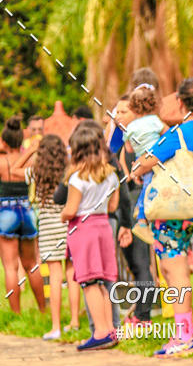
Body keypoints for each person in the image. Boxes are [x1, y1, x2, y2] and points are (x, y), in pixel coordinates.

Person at [132, 77, 193, 355]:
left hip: (170, 212)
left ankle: (184, 336)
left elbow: (146, 162)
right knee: (172, 267)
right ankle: (185, 333)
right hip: (191, 211)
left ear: (180, 102)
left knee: (174, 270)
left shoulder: (177, 134)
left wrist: (135, 167)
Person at [60, 123, 120, 350]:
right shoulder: (111, 176)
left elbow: (70, 210)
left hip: (83, 229)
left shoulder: (77, 178)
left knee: (88, 281)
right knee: (102, 280)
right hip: (103, 226)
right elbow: (113, 205)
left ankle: (100, 331)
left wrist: (61, 215)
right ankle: (110, 329)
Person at [26, 134, 80, 338]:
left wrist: (30, 151)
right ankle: (74, 321)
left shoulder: (36, 172)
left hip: (48, 228)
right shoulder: (68, 172)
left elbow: (14, 169)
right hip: (67, 224)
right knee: (72, 274)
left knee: (55, 277)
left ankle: (56, 327)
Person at [111, 94, 157, 326]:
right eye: (116, 112)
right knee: (134, 263)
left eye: (123, 112)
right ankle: (140, 310)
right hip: (126, 204)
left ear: (136, 114)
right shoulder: (122, 141)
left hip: (139, 204)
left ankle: (143, 316)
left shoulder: (144, 139)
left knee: (140, 262)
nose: (117, 116)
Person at [0, 117, 46, 313]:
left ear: (4, 141)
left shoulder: (1, 162)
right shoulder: (29, 160)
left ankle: (16, 314)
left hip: (5, 212)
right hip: (27, 211)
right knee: (32, 264)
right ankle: (43, 311)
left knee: (10, 267)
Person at [119, 84, 166, 245]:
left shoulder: (130, 127)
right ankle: (141, 219)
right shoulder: (155, 121)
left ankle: (142, 210)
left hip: (140, 160)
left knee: (147, 185)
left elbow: (129, 147)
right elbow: (167, 134)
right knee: (150, 188)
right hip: (156, 160)